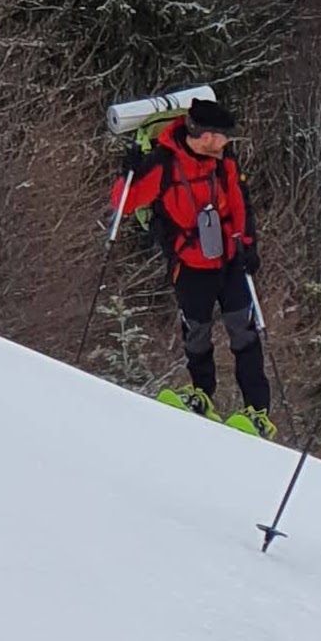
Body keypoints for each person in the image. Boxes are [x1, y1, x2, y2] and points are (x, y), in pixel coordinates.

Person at [112, 96, 275, 436]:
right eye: (219, 137)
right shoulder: (164, 163)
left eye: (225, 138)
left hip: (230, 261)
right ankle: (202, 393)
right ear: (200, 134)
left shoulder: (223, 162)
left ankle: (258, 412)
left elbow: (241, 205)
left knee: (244, 333)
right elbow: (125, 204)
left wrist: (248, 245)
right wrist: (128, 170)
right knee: (196, 332)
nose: (224, 143)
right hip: (189, 264)